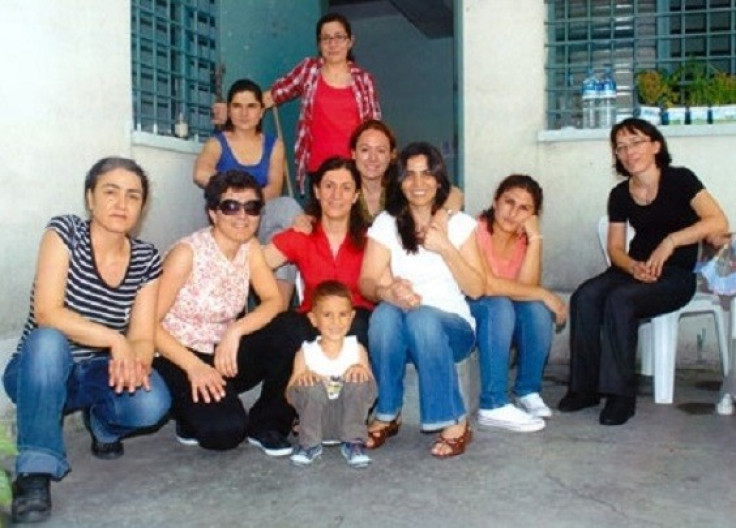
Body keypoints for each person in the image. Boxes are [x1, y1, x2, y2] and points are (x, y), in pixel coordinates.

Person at [4, 157, 171, 524]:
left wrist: (136, 362)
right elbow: (48, 311)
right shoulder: (65, 232)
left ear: (142, 207)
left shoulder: (146, 259)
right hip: (39, 369)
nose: (121, 204)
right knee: (49, 341)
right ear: (90, 198)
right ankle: (34, 471)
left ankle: (103, 423)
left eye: (133, 196)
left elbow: (142, 337)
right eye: (110, 192)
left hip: (95, 373)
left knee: (153, 400)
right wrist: (115, 339)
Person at [558, 118, 728, 426]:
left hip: (676, 274)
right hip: (634, 268)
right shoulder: (620, 195)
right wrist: (634, 266)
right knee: (585, 295)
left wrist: (671, 242)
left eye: (636, 142)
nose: (628, 151)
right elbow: (615, 250)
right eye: (621, 147)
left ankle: (620, 396)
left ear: (655, 145)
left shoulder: (681, 180)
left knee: (621, 300)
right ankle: (584, 389)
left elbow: (718, 222)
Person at [153, 170, 294, 455]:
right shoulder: (187, 254)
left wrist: (236, 330)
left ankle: (266, 422)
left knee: (293, 328)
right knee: (225, 432)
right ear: (213, 213)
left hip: (223, 352)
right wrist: (194, 366)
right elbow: (148, 325)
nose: (242, 216)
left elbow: (272, 300)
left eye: (252, 207)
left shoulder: (250, 247)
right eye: (231, 206)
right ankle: (186, 412)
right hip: (179, 355)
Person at [359, 142, 485, 458]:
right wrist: (389, 292)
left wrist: (444, 247)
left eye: (427, 174)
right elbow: (367, 280)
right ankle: (388, 412)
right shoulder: (387, 224)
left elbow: (477, 288)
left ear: (440, 179)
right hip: (404, 324)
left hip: (452, 329)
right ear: (399, 181)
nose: (418, 184)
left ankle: (455, 420)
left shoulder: (459, 224)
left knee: (422, 317)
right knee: (384, 315)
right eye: (409, 175)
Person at [215, 13, 381, 192]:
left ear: (350, 41)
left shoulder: (364, 80)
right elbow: (274, 95)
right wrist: (232, 110)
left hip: (355, 167)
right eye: (326, 38)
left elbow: (374, 126)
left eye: (339, 37)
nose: (333, 44)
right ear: (319, 44)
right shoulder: (308, 70)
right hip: (319, 167)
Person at [468, 175, 567, 434]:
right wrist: (545, 294)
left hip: (502, 308)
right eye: (508, 202)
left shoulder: (523, 239)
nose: (513, 213)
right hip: (470, 306)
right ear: (495, 201)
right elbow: (486, 285)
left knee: (536, 309)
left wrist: (536, 239)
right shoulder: (475, 230)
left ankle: (527, 391)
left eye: (524, 208)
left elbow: (528, 287)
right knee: (500, 303)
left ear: (533, 215)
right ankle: (493, 402)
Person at [195, 79, 302, 308]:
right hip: (230, 219)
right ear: (229, 110)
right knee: (282, 236)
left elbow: (274, 187)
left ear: (262, 111)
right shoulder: (218, 142)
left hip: (260, 214)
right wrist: (234, 198)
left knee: (287, 214)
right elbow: (200, 173)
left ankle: (277, 311)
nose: (244, 113)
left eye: (251, 106)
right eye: (237, 106)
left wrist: (248, 205)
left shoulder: (274, 145)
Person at [262, 156, 373, 351]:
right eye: (329, 186)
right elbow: (258, 264)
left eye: (346, 188)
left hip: (356, 320)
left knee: (361, 326)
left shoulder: (370, 239)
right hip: (313, 319)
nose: (336, 195)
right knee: (285, 327)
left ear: (356, 196)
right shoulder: (303, 233)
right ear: (317, 191)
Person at [286, 280, 376, 468]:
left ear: (351, 317)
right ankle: (309, 445)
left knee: (359, 379)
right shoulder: (305, 352)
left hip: (347, 419)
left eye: (342, 315)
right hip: (316, 422)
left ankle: (354, 443)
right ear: (313, 319)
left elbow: (371, 392)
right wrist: (302, 379)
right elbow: (290, 395)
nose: (336, 322)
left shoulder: (357, 349)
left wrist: (361, 371)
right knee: (308, 384)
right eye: (327, 315)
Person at [349, 119, 464, 225]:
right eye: (365, 150)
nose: (372, 158)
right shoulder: (342, 186)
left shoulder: (403, 184)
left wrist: (443, 214)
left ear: (392, 155)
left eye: (381, 151)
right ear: (353, 153)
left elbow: (455, 193)